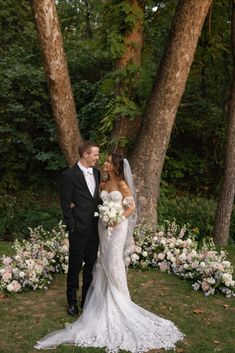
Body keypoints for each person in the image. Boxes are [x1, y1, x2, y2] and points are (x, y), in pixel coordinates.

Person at [34, 153, 184, 352]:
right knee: (103, 262)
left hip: (118, 227)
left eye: (107, 161)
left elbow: (131, 206)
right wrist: (77, 206)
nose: (103, 162)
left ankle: (121, 301)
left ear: (115, 166)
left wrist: (118, 217)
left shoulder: (121, 183)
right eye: (101, 158)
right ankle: (100, 299)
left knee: (114, 262)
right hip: (102, 228)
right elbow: (93, 200)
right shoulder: (102, 182)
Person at [60, 140, 100, 316]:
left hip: (95, 229)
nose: (97, 158)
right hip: (78, 229)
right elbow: (64, 203)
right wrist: (72, 226)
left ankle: (86, 300)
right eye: (96, 154)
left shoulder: (97, 173)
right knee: (75, 266)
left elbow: (98, 199)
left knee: (90, 265)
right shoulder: (70, 175)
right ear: (86, 154)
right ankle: (71, 302)